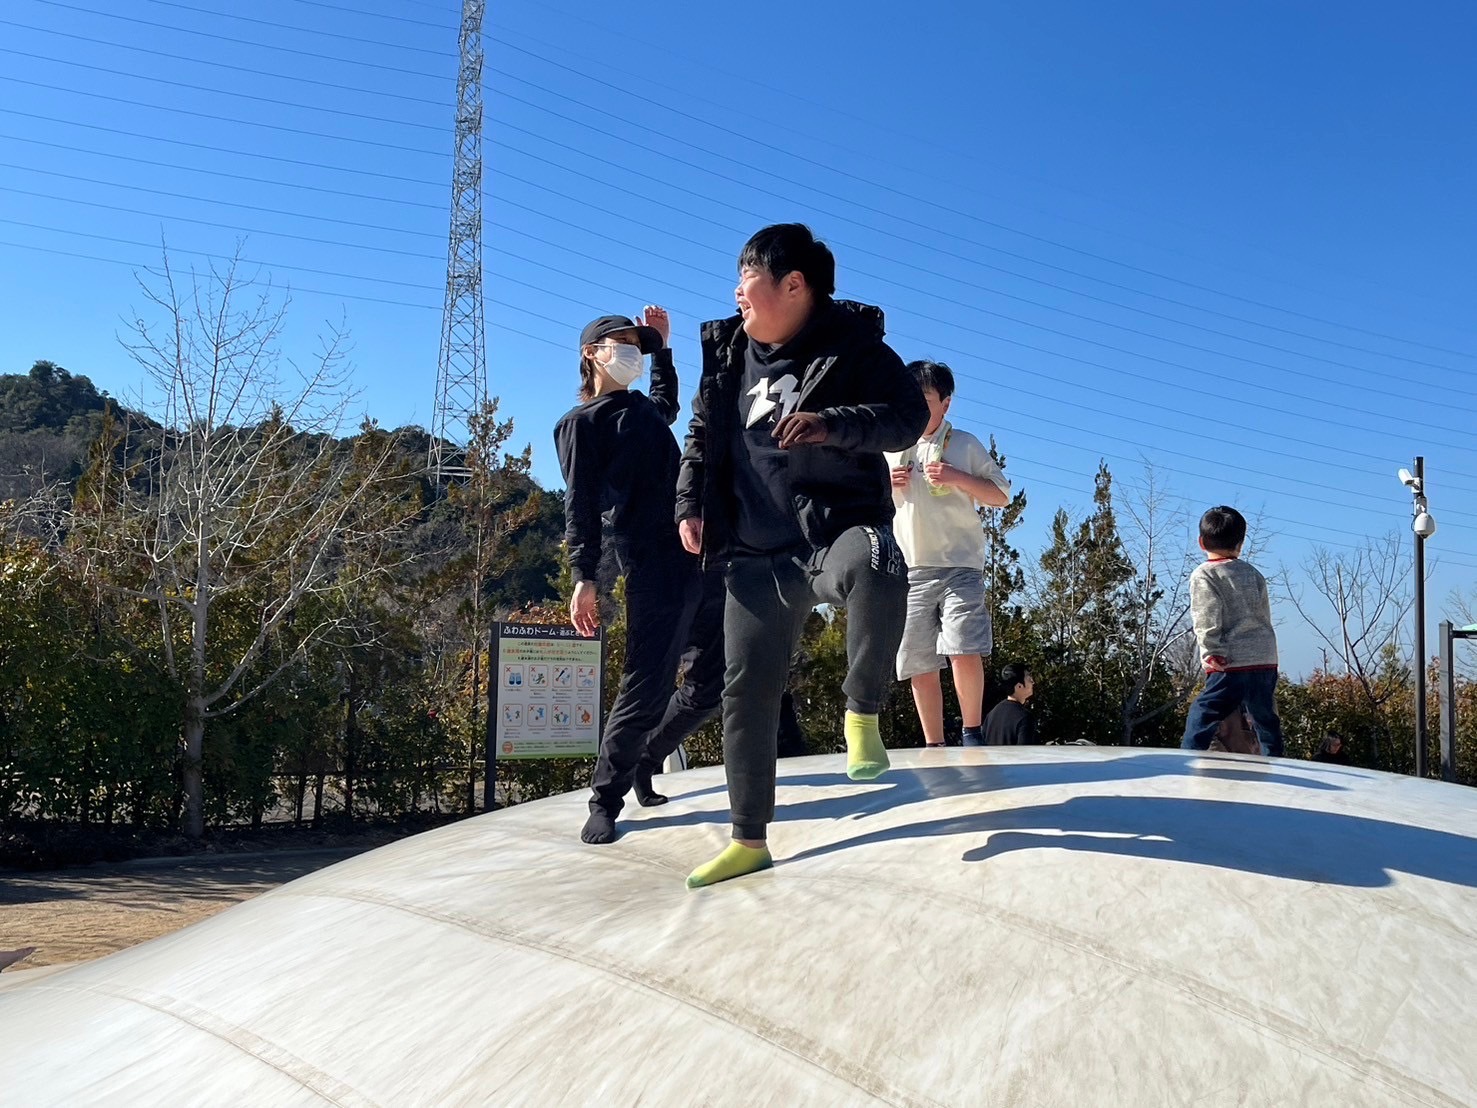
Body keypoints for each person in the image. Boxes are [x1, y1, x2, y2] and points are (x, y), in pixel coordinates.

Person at [674, 223, 928, 888]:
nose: (736, 291)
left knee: (878, 564)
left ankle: (862, 712)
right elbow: (702, 430)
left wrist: (834, 425)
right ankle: (748, 839)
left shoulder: (854, 345)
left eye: (747, 277)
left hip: (833, 530)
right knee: (745, 694)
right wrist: (688, 503)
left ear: (793, 285)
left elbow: (905, 418)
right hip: (756, 547)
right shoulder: (727, 349)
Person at [553, 307, 702, 844]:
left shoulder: (642, 409)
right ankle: (604, 800)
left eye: (635, 345)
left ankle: (648, 758)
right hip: (652, 561)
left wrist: (662, 348)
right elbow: (581, 504)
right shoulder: (581, 424)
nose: (630, 352)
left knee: (715, 676)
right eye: (621, 343)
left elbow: (667, 404)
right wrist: (583, 576)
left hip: (702, 552)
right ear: (592, 353)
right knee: (648, 682)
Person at [886, 360, 1011, 747]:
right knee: (917, 659)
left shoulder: (965, 443)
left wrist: (958, 477)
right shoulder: (891, 446)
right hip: (909, 568)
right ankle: (934, 743)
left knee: (963, 647)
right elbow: (865, 504)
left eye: (925, 399)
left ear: (946, 403)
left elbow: (1002, 496)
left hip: (961, 565)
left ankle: (972, 732)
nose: (917, 406)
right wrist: (884, 484)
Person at [1180, 506, 1284, 757]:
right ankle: (1276, 762)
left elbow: (1206, 616)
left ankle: (1185, 759)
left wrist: (1212, 652)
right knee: (1264, 718)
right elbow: (1263, 615)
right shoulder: (1253, 573)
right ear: (1241, 543)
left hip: (1230, 661)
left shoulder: (1204, 574)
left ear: (1201, 542)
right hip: (1264, 658)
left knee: (1203, 712)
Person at [983, 662, 1037, 745]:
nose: (1033, 683)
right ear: (1019, 686)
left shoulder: (991, 714)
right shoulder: (1025, 718)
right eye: (1029, 679)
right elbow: (1025, 755)